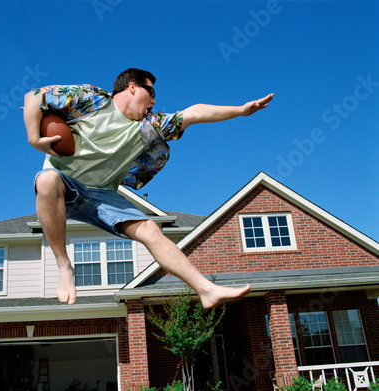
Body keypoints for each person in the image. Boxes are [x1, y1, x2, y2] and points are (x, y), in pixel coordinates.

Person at [23, 68, 274, 307]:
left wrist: (240, 110)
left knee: (151, 230)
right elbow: (33, 98)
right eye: (151, 93)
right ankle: (64, 265)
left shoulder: (150, 126)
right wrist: (34, 138)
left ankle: (206, 290)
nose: (154, 102)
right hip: (64, 184)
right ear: (132, 87)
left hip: (102, 196)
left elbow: (193, 113)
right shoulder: (91, 100)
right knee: (46, 179)